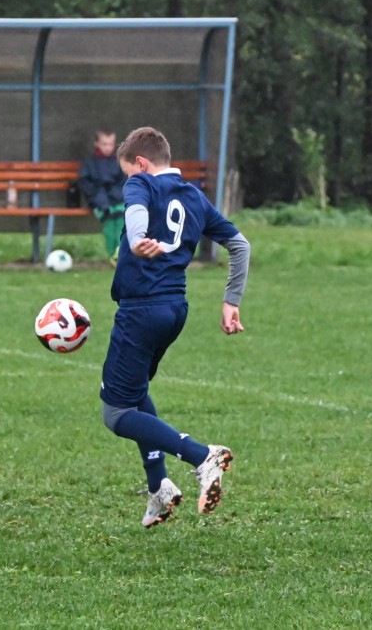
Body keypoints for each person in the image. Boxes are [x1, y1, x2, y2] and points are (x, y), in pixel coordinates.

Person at [99, 127, 250, 528]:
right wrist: (231, 301)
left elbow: (135, 213)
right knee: (135, 394)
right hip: (174, 310)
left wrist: (137, 240)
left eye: (129, 173)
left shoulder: (141, 183)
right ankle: (159, 489)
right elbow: (240, 245)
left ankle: (203, 456)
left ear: (141, 164)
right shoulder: (194, 196)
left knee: (116, 412)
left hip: (140, 311)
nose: (129, 181)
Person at [78, 128, 126, 264]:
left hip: (118, 200)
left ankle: (120, 253)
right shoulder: (89, 163)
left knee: (122, 221)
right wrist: (101, 200)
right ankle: (112, 254)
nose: (108, 147)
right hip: (99, 202)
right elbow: (87, 184)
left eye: (111, 144)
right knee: (109, 222)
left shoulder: (118, 161)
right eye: (104, 144)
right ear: (97, 144)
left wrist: (117, 195)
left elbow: (124, 181)